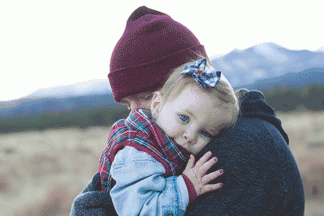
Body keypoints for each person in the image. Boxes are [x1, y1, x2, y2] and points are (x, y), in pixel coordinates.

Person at [71, 5, 305, 216]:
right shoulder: (163, 145)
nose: (134, 115)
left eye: (143, 98)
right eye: (127, 105)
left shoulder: (243, 149)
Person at [99, 57, 239, 215]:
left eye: (205, 133)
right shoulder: (138, 154)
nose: (190, 136)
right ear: (157, 105)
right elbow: (140, 212)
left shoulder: (166, 144)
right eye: (184, 118)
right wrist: (185, 187)